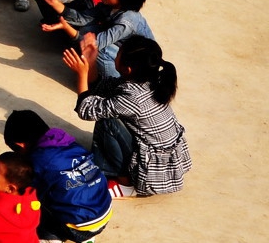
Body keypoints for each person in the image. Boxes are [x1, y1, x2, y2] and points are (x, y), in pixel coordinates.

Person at [64, 36, 191, 198]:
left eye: (118, 53)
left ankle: (126, 184)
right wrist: (91, 64)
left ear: (128, 69)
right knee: (109, 109)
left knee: (108, 120)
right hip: (164, 159)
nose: (115, 56)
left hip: (152, 173)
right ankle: (116, 169)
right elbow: (103, 87)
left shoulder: (132, 97)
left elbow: (86, 110)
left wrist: (82, 73)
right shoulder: (148, 80)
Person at [4, 109, 113, 243]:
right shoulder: (67, 142)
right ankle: (87, 237)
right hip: (104, 212)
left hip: (78, 225)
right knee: (68, 190)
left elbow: (28, 195)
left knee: (27, 203)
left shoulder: (38, 161)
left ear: (20, 145)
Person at [42, 0, 153, 79]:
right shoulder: (109, 6)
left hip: (137, 69)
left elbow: (94, 45)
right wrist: (55, 3)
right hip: (122, 51)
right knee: (88, 31)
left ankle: (112, 84)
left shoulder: (127, 22)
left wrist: (68, 29)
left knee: (99, 50)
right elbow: (82, 19)